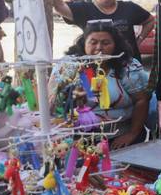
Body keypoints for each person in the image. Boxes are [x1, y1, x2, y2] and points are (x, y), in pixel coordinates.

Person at [50, 20, 151, 149]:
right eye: (93, 42)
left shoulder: (126, 66)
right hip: (78, 138)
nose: (99, 48)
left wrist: (132, 133)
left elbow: (142, 100)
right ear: (84, 43)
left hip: (119, 135)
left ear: (115, 45)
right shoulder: (71, 66)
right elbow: (53, 100)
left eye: (106, 43)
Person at [53, 0, 155, 60]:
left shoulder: (129, 7)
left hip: (128, 63)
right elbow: (59, 6)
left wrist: (140, 39)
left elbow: (150, 20)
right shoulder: (83, 9)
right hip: (95, 65)